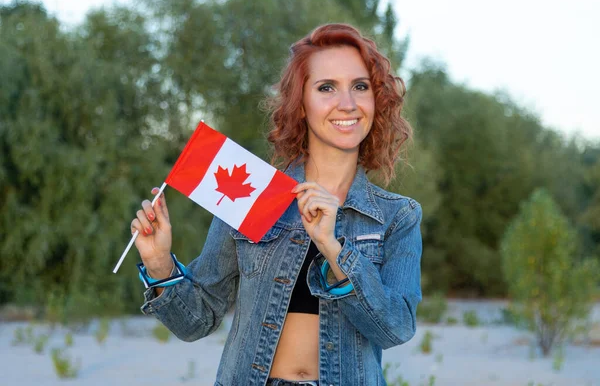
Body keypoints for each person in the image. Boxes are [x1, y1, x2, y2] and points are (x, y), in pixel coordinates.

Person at [131, 23, 422, 386]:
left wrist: (334, 248)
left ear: (376, 101)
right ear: (300, 103)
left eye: (360, 86)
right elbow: (196, 320)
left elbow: (395, 328)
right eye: (326, 87)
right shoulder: (252, 196)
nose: (347, 103)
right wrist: (158, 264)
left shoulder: (397, 216)